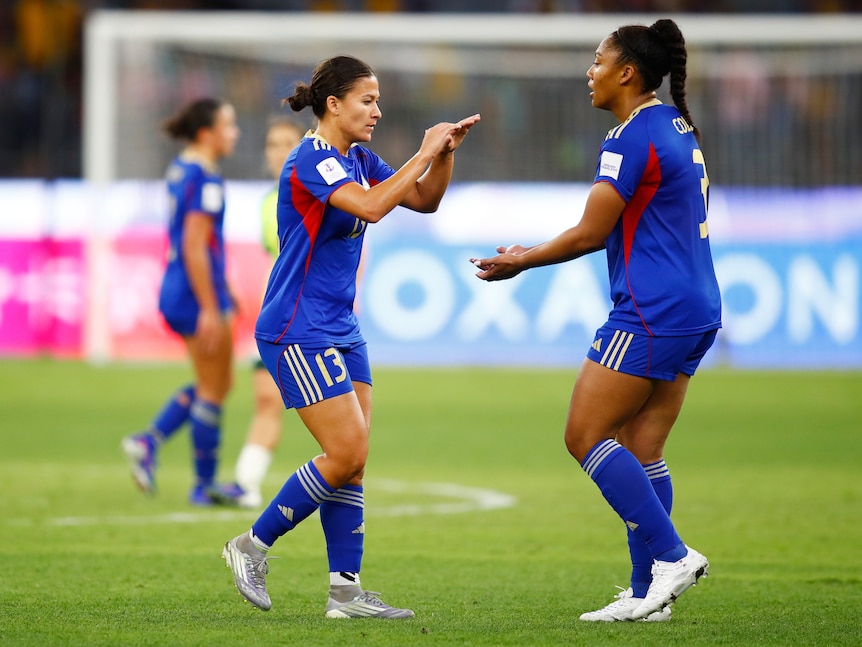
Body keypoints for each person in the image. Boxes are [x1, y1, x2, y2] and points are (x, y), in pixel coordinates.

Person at [471, 19, 721, 622]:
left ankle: (672, 555)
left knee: (585, 436)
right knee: (643, 447)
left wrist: (521, 260)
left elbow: (591, 231)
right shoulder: (674, 126)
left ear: (627, 72)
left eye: (597, 61)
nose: (590, 72)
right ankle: (646, 595)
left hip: (650, 313)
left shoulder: (629, 138)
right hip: (696, 308)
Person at [221, 55, 479, 618]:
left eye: (379, 100)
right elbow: (370, 206)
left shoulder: (357, 157)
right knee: (346, 450)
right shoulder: (310, 161)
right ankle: (251, 545)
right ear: (333, 104)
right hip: (298, 326)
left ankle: (345, 594)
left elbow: (422, 199)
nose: (378, 111)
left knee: (353, 462)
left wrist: (444, 156)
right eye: (368, 100)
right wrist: (423, 151)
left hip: (340, 324)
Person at [121, 98, 242, 506]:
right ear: (206, 133)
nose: (234, 133)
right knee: (214, 387)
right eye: (228, 126)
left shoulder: (181, 168)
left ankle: (149, 440)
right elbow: (194, 247)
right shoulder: (206, 179)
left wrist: (224, 286)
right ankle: (202, 484)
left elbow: (198, 244)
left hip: (183, 285)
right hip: (194, 292)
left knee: (219, 382)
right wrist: (211, 305)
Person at [222, 117, 305, 509]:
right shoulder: (268, 201)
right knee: (266, 400)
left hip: (306, 316)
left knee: (329, 413)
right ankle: (246, 483)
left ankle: (340, 478)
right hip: (274, 313)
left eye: (286, 142)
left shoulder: (315, 191)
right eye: (272, 144)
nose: (278, 151)